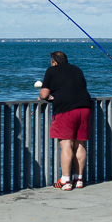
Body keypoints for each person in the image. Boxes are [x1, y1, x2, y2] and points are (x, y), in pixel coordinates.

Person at [39, 51, 94, 190]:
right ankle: (79, 179)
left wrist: (43, 96)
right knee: (79, 144)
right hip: (84, 108)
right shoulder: (77, 69)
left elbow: (44, 93)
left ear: (54, 62)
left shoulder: (51, 71)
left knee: (66, 145)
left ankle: (65, 180)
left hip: (66, 110)